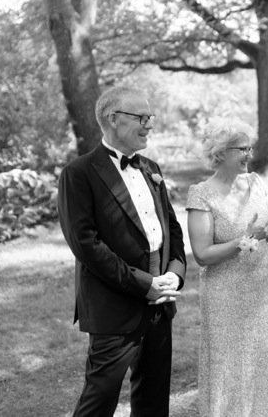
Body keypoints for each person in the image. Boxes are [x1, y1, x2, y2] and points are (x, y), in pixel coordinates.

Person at [57, 86, 187, 417]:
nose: (149, 124)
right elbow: (86, 245)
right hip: (113, 307)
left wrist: (175, 273)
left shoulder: (150, 168)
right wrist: (144, 283)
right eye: (141, 117)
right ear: (113, 119)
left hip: (161, 305)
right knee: (99, 402)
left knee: (154, 401)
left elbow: (171, 228)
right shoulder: (79, 173)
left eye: (150, 117)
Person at [186, 119, 268, 417]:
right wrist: (245, 239)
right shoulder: (201, 194)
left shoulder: (256, 182)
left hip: (262, 284)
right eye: (242, 148)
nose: (249, 154)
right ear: (220, 153)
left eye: (250, 147)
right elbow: (202, 254)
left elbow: (266, 234)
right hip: (225, 291)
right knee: (230, 362)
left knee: (265, 355)